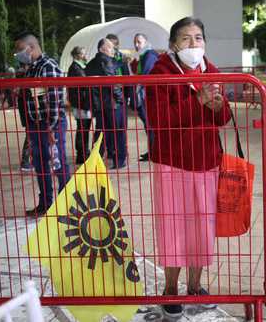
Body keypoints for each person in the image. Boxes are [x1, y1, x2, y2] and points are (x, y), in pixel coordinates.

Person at [146, 17, 231, 318]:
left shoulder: (212, 70)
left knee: (202, 227)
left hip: (207, 162)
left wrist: (219, 107)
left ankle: (195, 285)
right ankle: (171, 289)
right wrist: (197, 100)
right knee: (173, 228)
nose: (193, 44)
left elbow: (223, 120)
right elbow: (158, 121)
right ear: (173, 44)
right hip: (173, 163)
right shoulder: (160, 72)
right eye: (185, 38)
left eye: (198, 37)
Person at [14, 32, 70, 216]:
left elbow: (54, 102)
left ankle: (67, 206)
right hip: (35, 123)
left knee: (58, 163)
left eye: (20, 49)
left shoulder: (48, 66)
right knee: (40, 165)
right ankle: (45, 203)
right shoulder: (30, 68)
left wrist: (50, 128)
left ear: (31, 47)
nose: (17, 54)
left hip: (50, 124)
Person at [85, 38, 127, 169]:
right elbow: (112, 83)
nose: (113, 50)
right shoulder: (106, 61)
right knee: (118, 132)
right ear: (101, 49)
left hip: (99, 105)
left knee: (102, 133)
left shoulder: (91, 63)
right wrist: (121, 99)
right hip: (113, 104)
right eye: (110, 47)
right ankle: (119, 160)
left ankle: (96, 159)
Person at [130, 33, 158, 161]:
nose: (136, 45)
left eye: (139, 42)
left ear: (146, 42)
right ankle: (152, 150)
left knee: (150, 124)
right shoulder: (142, 56)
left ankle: (154, 152)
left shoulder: (149, 55)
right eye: (135, 42)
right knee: (149, 125)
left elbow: (143, 75)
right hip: (144, 94)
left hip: (147, 94)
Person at [67, 46, 92, 164]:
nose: (84, 55)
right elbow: (84, 84)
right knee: (83, 128)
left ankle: (83, 152)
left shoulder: (77, 67)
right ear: (77, 55)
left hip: (80, 103)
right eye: (82, 53)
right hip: (81, 103)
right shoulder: (76, 68)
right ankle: (82, 153)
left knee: (83, 128)